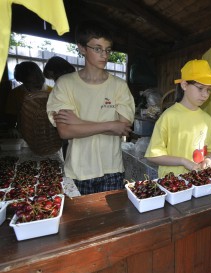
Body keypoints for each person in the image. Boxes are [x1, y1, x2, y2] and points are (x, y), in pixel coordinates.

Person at [47, 21, 135, 195]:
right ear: (81, 48)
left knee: (112, 222)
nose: (104, 55)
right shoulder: (65, 84)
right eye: (97, 48)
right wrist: (110, 124)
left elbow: (122, 128)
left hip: (112, 169)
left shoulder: (119, 86)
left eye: (107, 49)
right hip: (78, 171)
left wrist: (79, 123)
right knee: (79, 222)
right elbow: (65, 131)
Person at [145, 59, 211, 178]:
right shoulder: (169, 116)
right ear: (184, 85)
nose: (205, 95)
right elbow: (153, 155)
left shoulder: (207, 119)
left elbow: (210, 149)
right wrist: (183, 161)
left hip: (198, 180)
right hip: (172, 182)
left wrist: (209, 159)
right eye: (200, 88)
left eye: (209, 90)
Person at [5, 61, 51, 136]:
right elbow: (11, 114)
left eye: (29, 82)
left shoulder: (52, 92)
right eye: (23, 82)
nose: (27, 85)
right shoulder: (15, 93)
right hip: (23, 135)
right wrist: (11, 128)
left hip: (48, 135)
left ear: (37, 76)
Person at [44, 56, 76, 159]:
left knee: (70, 156)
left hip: (72, 130)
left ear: (55, 72)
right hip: (77, 129)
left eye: (52, 77)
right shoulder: (78, 80)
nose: (54, 81)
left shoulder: (64, 84)